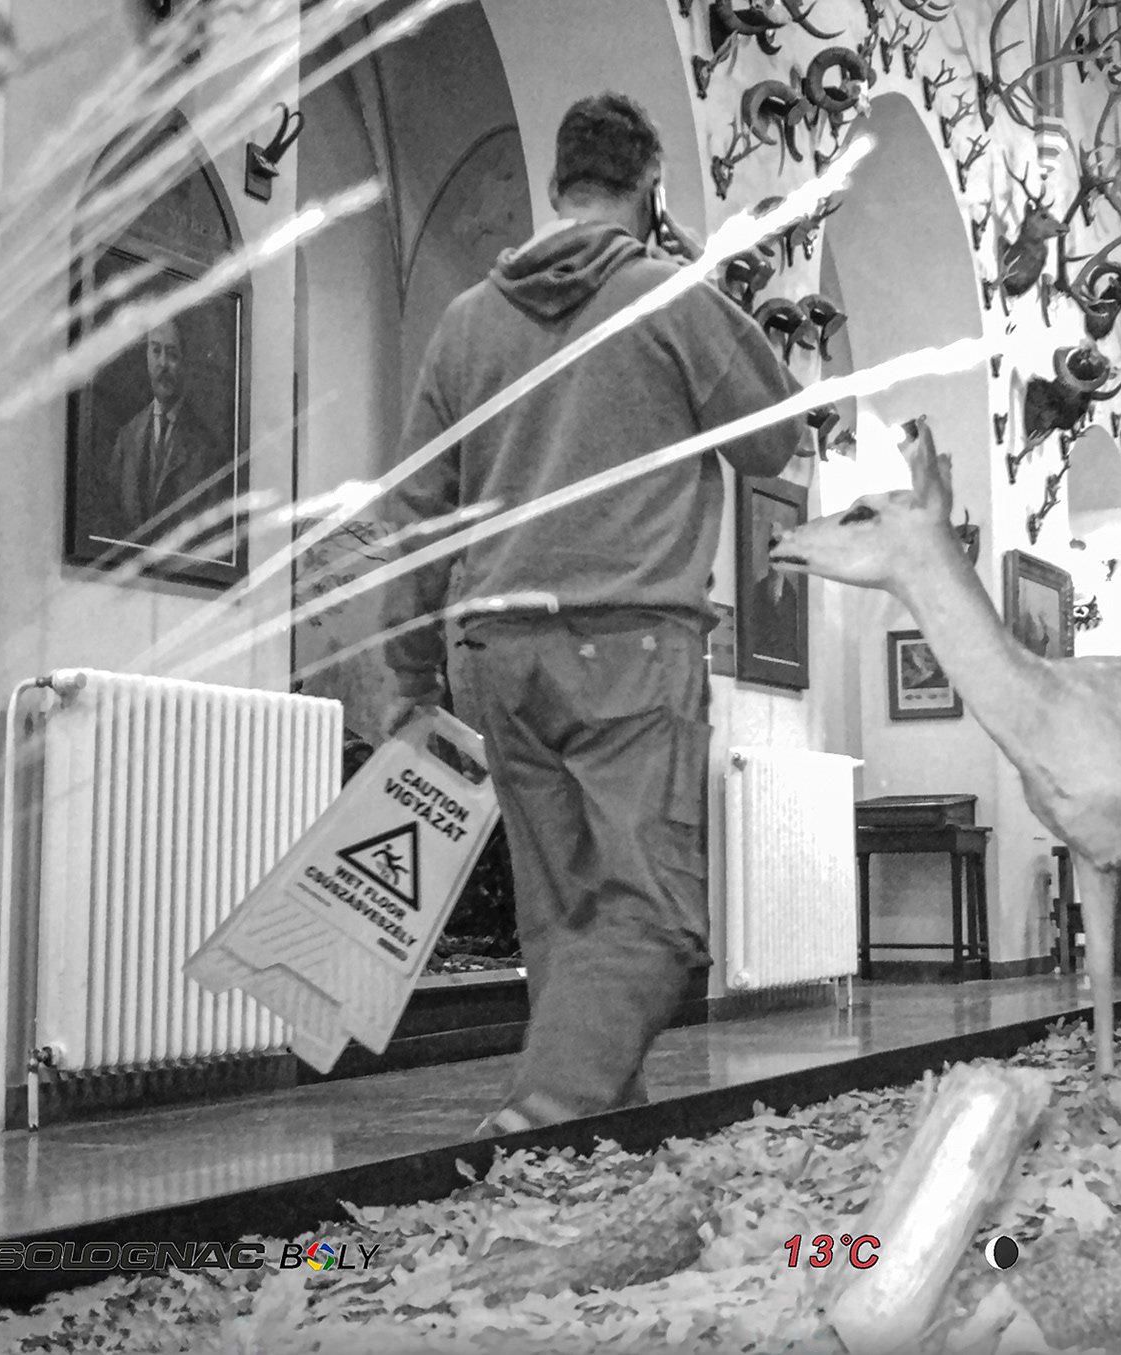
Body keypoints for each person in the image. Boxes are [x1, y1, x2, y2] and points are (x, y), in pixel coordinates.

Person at [378, 92, 807, 1137]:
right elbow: (773, 439)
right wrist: (713, 287)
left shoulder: (466, 322)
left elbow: (417, 514)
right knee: (654, 915)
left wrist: (408, 675)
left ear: (557, 185)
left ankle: (594, 1146)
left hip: (499, 656)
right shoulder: (669, 296)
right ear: (650, 189)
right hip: (629, 646)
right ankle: (541, 1113)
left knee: (565, 918)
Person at [103, 318, 223, 544]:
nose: (163, 364)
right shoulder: (127, 439)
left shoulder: (207, 450)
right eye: (156, 351)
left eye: (172, 354)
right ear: (146, 355)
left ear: (186, 363)